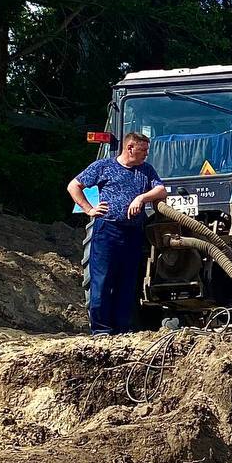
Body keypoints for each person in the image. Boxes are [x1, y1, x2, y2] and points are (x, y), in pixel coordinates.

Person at [66, 131, 167, 335]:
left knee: (127, 281)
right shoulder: (104, 167)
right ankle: (101, 331)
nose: (146, 154)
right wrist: (89, 209)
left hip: (133, 232)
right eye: (143, 150)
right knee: (102, 281)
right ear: (130, 148)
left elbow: (161, 190)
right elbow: (74, 186)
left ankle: (122, 329)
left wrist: (140, 199)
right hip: (107, 230)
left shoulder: (146, 170)